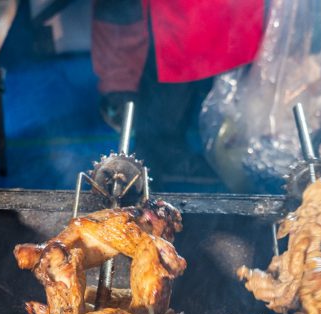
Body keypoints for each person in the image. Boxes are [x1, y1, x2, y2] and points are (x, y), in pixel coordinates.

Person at [91, 0, 264, 184]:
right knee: (172, 48)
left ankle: (171, 156)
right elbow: (118, 16)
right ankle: (160, 157)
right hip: (163, 32)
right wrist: (118, 83)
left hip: (207, 24)